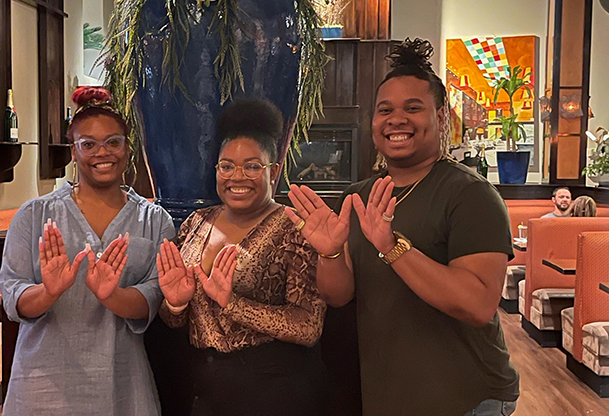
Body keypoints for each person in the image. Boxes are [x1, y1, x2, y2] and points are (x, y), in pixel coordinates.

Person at [286, 39, 519, 416]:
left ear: (441, 117)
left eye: (414, 108)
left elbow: (477, 304)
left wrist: (392, 246)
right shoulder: (359, 196)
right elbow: (338, 295)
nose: (397, 119)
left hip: (465, 397)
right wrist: (328, 251)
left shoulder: (471, 194)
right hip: (388, 395)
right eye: (385, 110)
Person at [0, 86, 174, 415]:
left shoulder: (154, 220)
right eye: (89, 144)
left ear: (127, 147)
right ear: (73, 151)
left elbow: (154, 297)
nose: (102, 153)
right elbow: (13, 294)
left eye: (113, 142)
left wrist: (111, 296)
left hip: (123, 383)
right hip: (44, 384)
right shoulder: (34, 215)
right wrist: (49, 292)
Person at [156, 98, 327, 416]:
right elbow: (176, 320)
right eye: (227, 166)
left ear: (273, 171)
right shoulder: (197, 222)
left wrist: (232, 304)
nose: (237, 176)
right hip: (202, 386)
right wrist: (176, 305)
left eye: (252, 166)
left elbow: (308, 326)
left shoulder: (296, 229)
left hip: (271, 390)